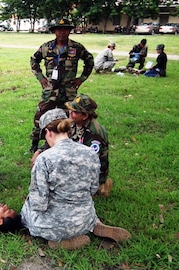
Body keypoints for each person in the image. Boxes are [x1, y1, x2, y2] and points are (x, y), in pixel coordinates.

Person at [21, 109, 131, 249]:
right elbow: (92, 189)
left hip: (53, 226)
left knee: (28, 209)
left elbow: (39, 203)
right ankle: (95, 224)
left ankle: (59, 241)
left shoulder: (44, 159)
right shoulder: (90, 153)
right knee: (85, 205)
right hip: (84, 218)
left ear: (48, 132)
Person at [29, 18, 94, 153]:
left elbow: (89, 61)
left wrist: (81, 79)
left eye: (65, 29)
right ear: (54, 31)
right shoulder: (46, 47)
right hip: (50, 90)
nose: (62, 32)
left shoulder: (77, 48)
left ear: (69, 31)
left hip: (68, 91)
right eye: (59, 29)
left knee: (71, 117)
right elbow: (34, 59)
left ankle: (70, 142)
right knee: (40, 115)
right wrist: (41, 78)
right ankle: (35, 143)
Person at [31, 94, 112, 197]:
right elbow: (57, 138)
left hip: (90, 171)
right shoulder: (73, 122)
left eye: (74, 112)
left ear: (85, 116)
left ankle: (102, 187)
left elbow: (90, 162)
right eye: (70, 109)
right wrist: (40, 151)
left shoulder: (94, 133)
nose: (70, 113)